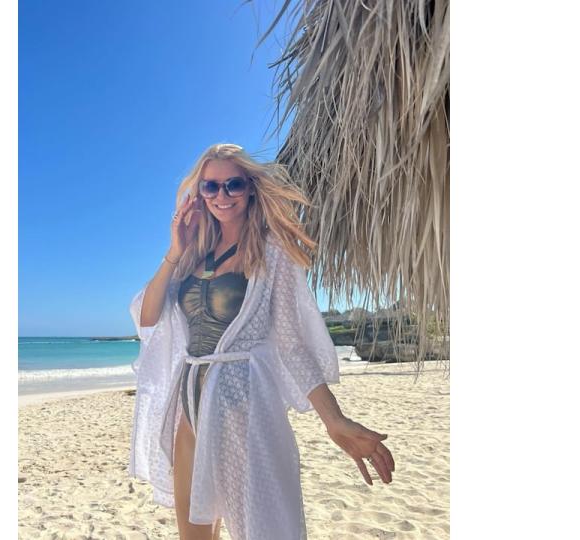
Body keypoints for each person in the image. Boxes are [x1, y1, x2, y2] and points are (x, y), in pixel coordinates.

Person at [128, 143, 394, 540]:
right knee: (194, 535)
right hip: (188, 409)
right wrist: (174, 250)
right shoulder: (191, 255)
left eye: (233, 185)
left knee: (261, 529)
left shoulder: (273, 250)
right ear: (198, 193)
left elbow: (290, 342)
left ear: (251, 188)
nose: (222, 196)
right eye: (211, 187)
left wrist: (333, 420)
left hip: (242, 407)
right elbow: (148, 318)